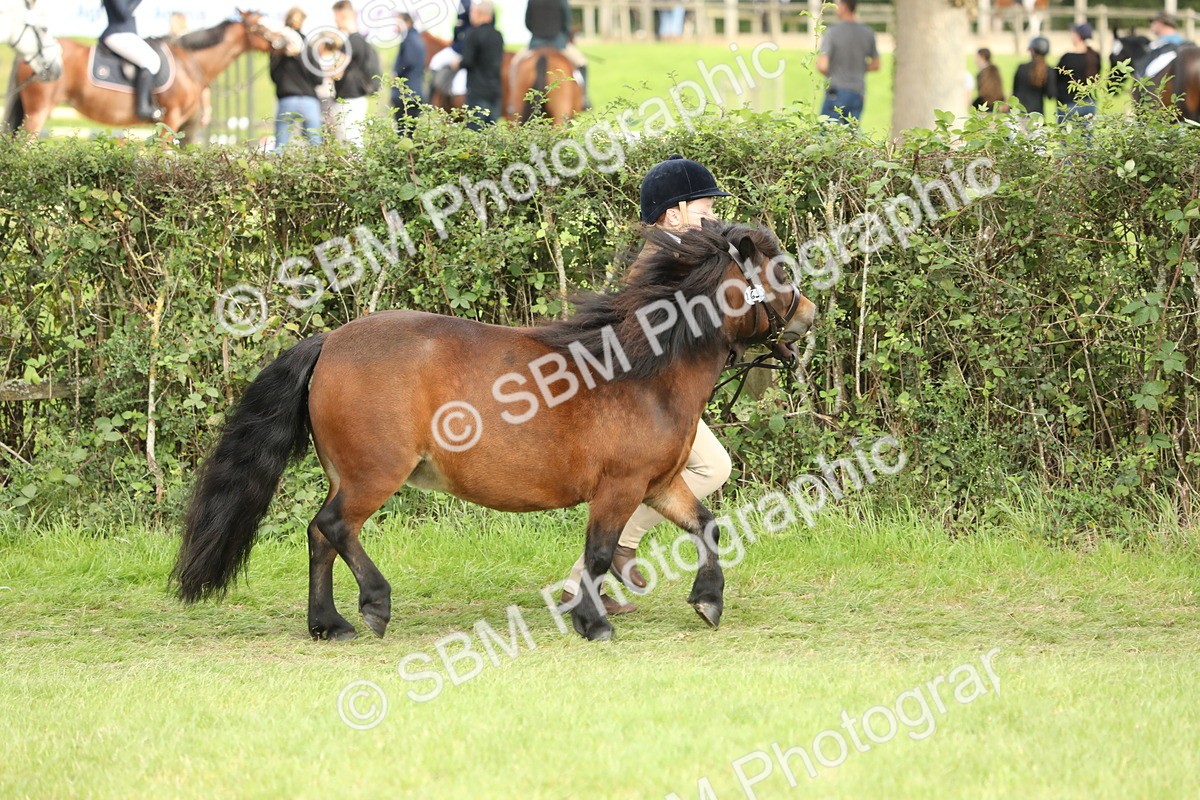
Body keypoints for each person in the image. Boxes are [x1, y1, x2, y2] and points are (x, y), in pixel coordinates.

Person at [560, 155, 734, 615]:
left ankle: (593, 571)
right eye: (704, 207)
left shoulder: (682, 253)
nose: (713, 216)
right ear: (673, 214)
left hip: (661, 402)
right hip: (641, 406)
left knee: (713, 467)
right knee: (712, 467)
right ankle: (608, 557)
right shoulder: (666, 258)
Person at [815, 0, 880, 125]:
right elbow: (876, 64)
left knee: (825, 136)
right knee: (851, 137)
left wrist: (834, 72)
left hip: (836, 92)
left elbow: (822, 65)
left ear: (844, 6)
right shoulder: (868, 32)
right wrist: (859, 68)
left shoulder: (832, 32)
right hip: (858, 93)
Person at [269, 7, 323, 151]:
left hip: (286, 98)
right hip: (309, 100)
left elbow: (273, 76)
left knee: (280, 146)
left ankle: (275, 173)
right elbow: (318, 78)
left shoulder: (277, 50)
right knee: (316, 146)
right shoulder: (309, 48)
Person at [445, 0, 504, 128]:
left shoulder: (472, 34)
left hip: (477, 91)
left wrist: (458, 63)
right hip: (495, 91)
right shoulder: (498, 35)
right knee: (490, 131)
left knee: (475, 129)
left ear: (479, 13)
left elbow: (467, 61)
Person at [100, 0, 162, 122]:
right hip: (118, 33)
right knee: (151, 61)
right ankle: (143, 107)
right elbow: (123, 13)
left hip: (127, 33)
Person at [331, 0, 382, 145]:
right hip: (355, 99)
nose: (335, 22)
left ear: (343, 16)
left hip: (349, 100)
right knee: (352, 141)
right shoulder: (359, 40)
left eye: (336, 18)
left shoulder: (351, 42)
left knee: (349, 142)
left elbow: (336, 71)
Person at [523, 0, 590, 108]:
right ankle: (584, 97)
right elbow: (567, 23)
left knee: (515, 64)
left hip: (536, 43)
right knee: (582, 63)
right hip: (557, 42)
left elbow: (528, 22)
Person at [1055, 22, 1100, 122]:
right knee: (1087, 137)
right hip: (1089, 103)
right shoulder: (1095, 57)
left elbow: (1056, 79)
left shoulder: (1067, 58)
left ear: (1078, 36)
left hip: (1069, 104)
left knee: (1065, 136)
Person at [429, 0, 473, 101]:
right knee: (436, 61)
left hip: (464, 50)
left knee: (436, 62)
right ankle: (434, 97)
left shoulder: (468, 5)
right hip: (458, 46)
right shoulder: (463, 3)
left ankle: (435, 99)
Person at [391, 12, 426, 135]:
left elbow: (409, 61)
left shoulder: (410, 39)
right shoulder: (415, 38)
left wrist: (396, 73)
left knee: (404, 133)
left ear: (408, 22)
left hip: (407, 95)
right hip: (413, 93)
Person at [1012, 36, 1055, 117]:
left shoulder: (1021, 68)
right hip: (1037, 115)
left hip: (1019, 113)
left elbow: (1015, 92)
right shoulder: (1049, 71)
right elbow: (1051, 95)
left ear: (1032, 51)